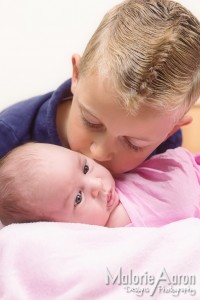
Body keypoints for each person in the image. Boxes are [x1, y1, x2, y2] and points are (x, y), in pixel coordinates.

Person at [0, 0, 200, 175]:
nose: (99, 153)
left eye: (133, 144)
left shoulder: (166, 151)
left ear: (170, 131)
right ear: (76, 74)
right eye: (91, 122)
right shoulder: (8, 140)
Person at [0, 142, 199, 227]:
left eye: (85, 168)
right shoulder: (114, 232)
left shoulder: (120, 170)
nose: (96, 184)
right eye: (78, 198)